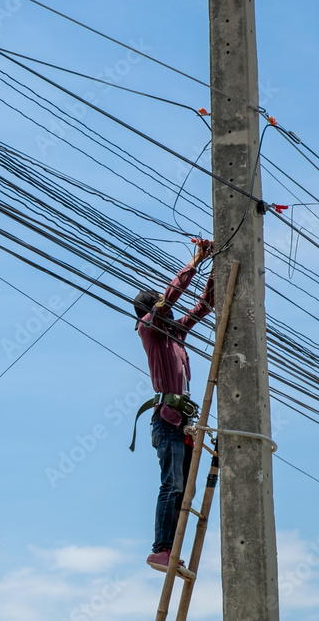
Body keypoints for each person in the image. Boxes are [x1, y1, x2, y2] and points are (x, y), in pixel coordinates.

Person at [132, 239, 214, 572]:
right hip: (166, 422)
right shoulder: (148, 329)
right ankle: (159, 549)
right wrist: (196, 259)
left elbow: (203, 308)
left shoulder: (174, 334)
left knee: (184, 490)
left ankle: (170, 551)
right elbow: (172, 296)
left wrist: (214, 271)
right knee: (173, 484)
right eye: (160, 309)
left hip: (183, 424)